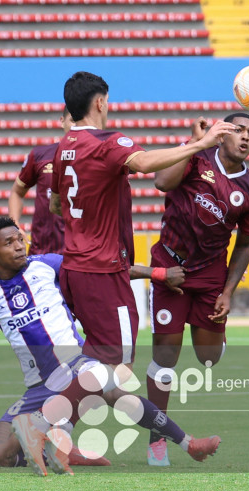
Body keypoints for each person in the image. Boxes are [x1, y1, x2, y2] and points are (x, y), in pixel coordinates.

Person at [0, 217, 221, 476]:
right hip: (39, 386)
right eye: (9, 243)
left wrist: (157, 275)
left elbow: (108, 270)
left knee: (107, 383)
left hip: (77, 366)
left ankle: (189, 443)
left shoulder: (47, 266)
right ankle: (64, 447)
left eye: (20, 239)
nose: (18, 246)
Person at [49, 71, 235, 368]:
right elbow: (145, 163)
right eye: (107, 102)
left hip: (73, 267)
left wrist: (89, 213)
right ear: (99, 103)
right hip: (103, 271)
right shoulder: (108, 142)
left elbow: (56, 204)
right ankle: (49, 415)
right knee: (116, 366)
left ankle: (60, 414)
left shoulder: (64, 146)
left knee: (97, 358)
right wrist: (201, 144)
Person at [145, 112, 249, 466]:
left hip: (211, 274)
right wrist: (193, 142)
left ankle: (217, 337)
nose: (245, 137)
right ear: (221, 133)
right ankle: (158, 440)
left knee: (207, 358)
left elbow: (244, 245)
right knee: (165, 355)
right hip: (169, 265)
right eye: (238, 130)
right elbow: (162, 184)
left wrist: (229, 292)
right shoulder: (196, 158)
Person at [7, 106, 73, 254]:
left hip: (82, 257)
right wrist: (14, 224)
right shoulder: (40, 155)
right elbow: (17, 193)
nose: (76, 127)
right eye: (72, 120)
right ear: (62, 121)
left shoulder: (98, 157)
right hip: (42, 254)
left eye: (81, 122)